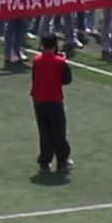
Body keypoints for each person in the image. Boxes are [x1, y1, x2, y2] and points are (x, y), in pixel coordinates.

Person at [30, 33, 73, 173]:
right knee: (59, 133)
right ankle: (62, 162)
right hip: (54, 100)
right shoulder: (59, 62)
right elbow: (67, 80)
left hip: (39, 101)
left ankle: (45, 161)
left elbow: (34, 77)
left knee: (44, 132)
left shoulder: (36, 60)